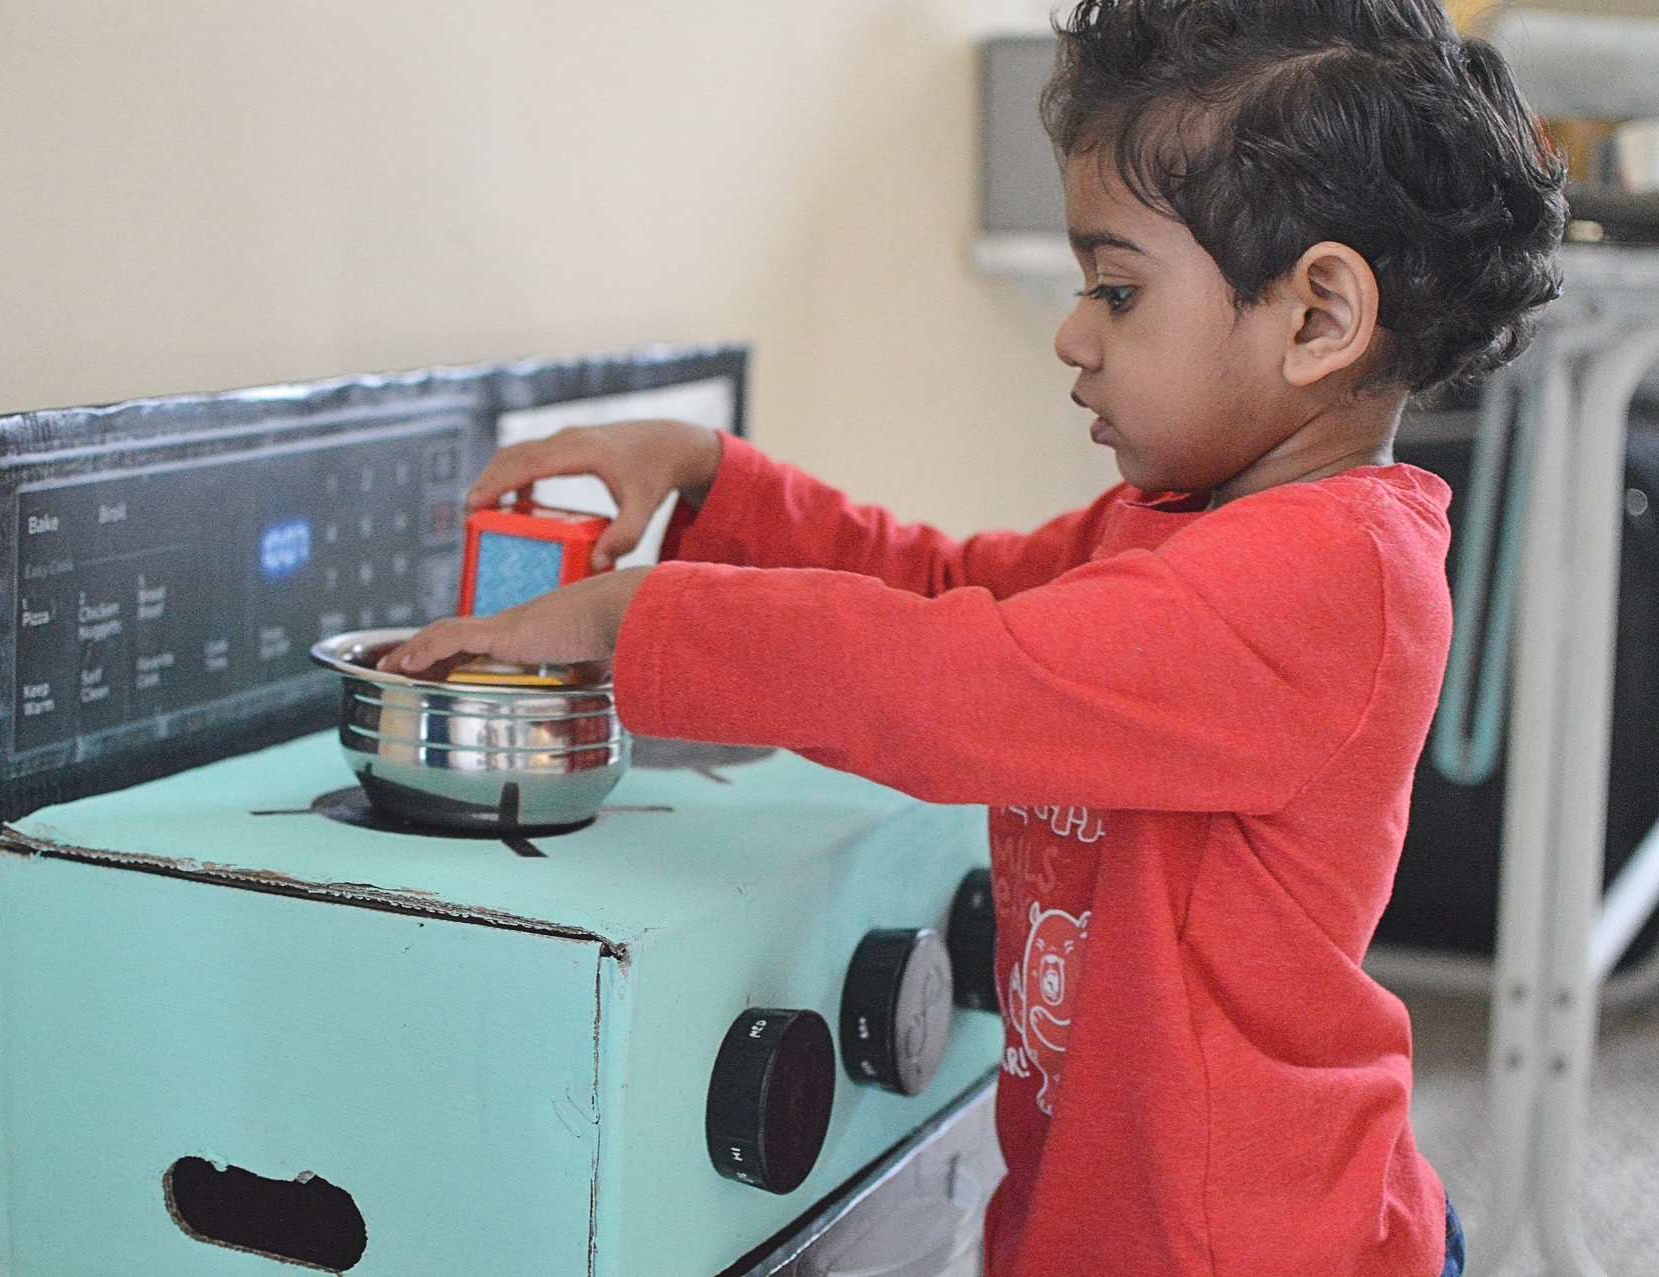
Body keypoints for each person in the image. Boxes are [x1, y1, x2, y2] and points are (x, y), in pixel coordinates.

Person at [383, 2, 1563, 1272]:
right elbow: (955, 589)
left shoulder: (1330, 576)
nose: (1074, 333)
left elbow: (962, 679)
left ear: (1319, 316)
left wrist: (634, 619)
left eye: (1116, 289)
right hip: (1110, 1199)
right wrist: (711, 474)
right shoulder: (1176, 526)